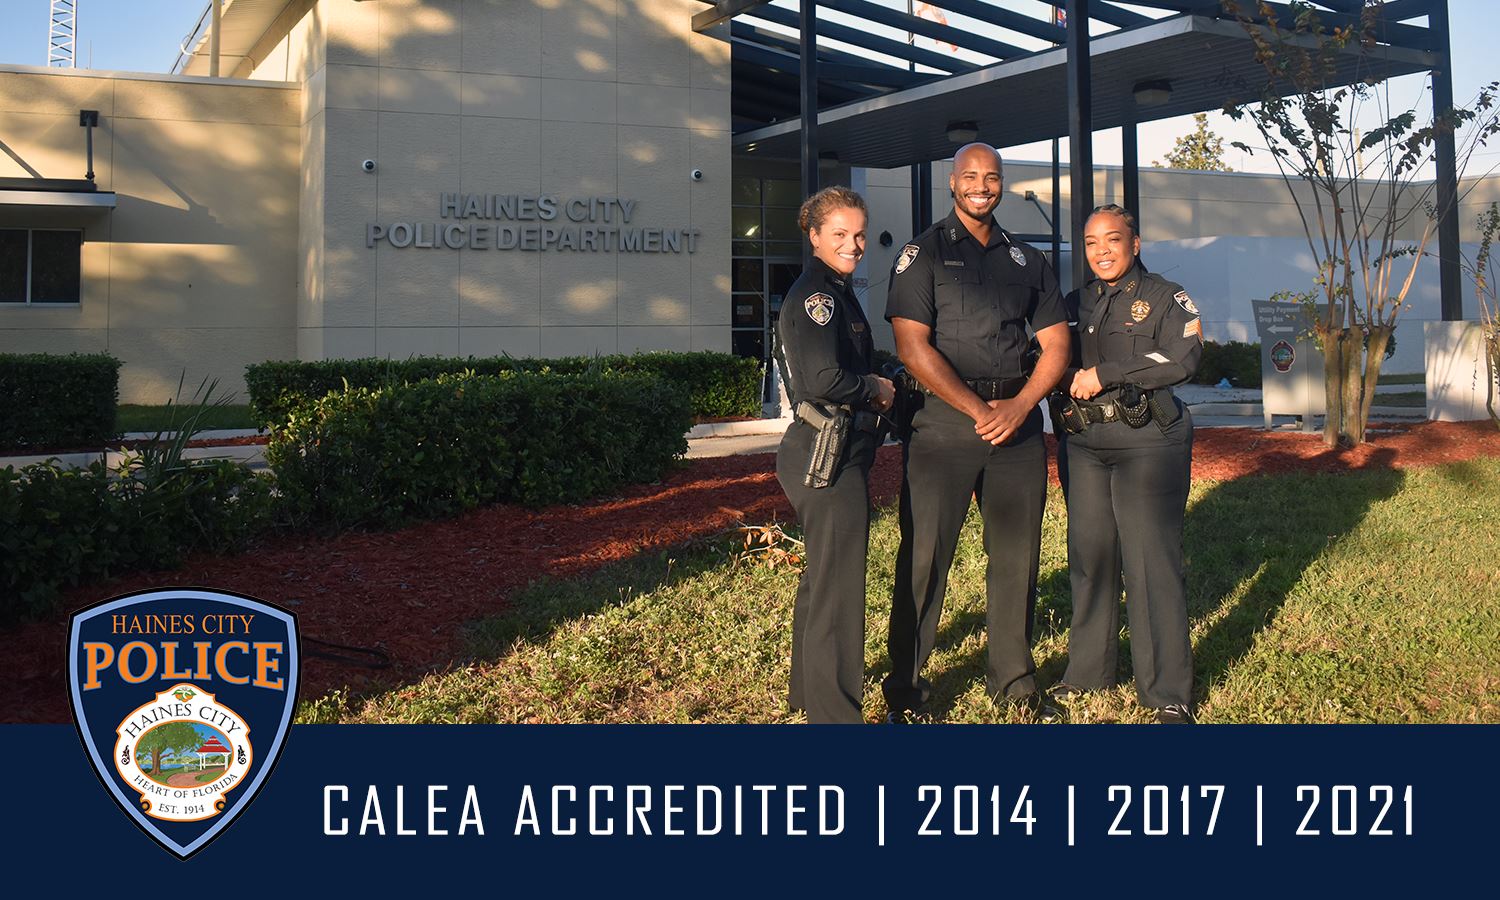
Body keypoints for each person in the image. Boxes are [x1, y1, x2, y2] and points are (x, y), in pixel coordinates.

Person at [882, 144, 1071, 721]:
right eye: (970, 177)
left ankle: (1014, 680)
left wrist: (1019, 406)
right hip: (943, 423)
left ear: (1002, 184)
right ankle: (906, 688)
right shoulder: (922, 254)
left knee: (1017, 556)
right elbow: (912, 347)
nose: (981, 186)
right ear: (952, 184)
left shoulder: (1025, 259)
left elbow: (1057, 344)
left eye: (991, 177)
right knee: (925, 557)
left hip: (1015, 426)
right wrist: (975, 407)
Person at [1052, 204, 1202, 724]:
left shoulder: (1165, 297)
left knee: (1149, 564)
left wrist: (1107, 372)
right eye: (1091, 243)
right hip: (1086, 445)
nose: (1101, 252)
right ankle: (1088, 671)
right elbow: (1048, 356)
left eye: (1111, 240)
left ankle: (1166, 693)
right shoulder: (1076, 302)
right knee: (1090, 560)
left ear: (1134, 243)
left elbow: (1182, 357)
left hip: (1147, 444)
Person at [774, 186, 896, 724]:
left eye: (860, 234)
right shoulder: (818, 297)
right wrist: (874, 385)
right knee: (840, 589)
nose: (854, 244)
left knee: (822, 580)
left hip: (826, 450)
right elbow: (825, 378)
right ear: (815, 235)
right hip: (827, 456)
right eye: (841, 234)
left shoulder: (835, 291)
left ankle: (809, 695)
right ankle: (836, 719)